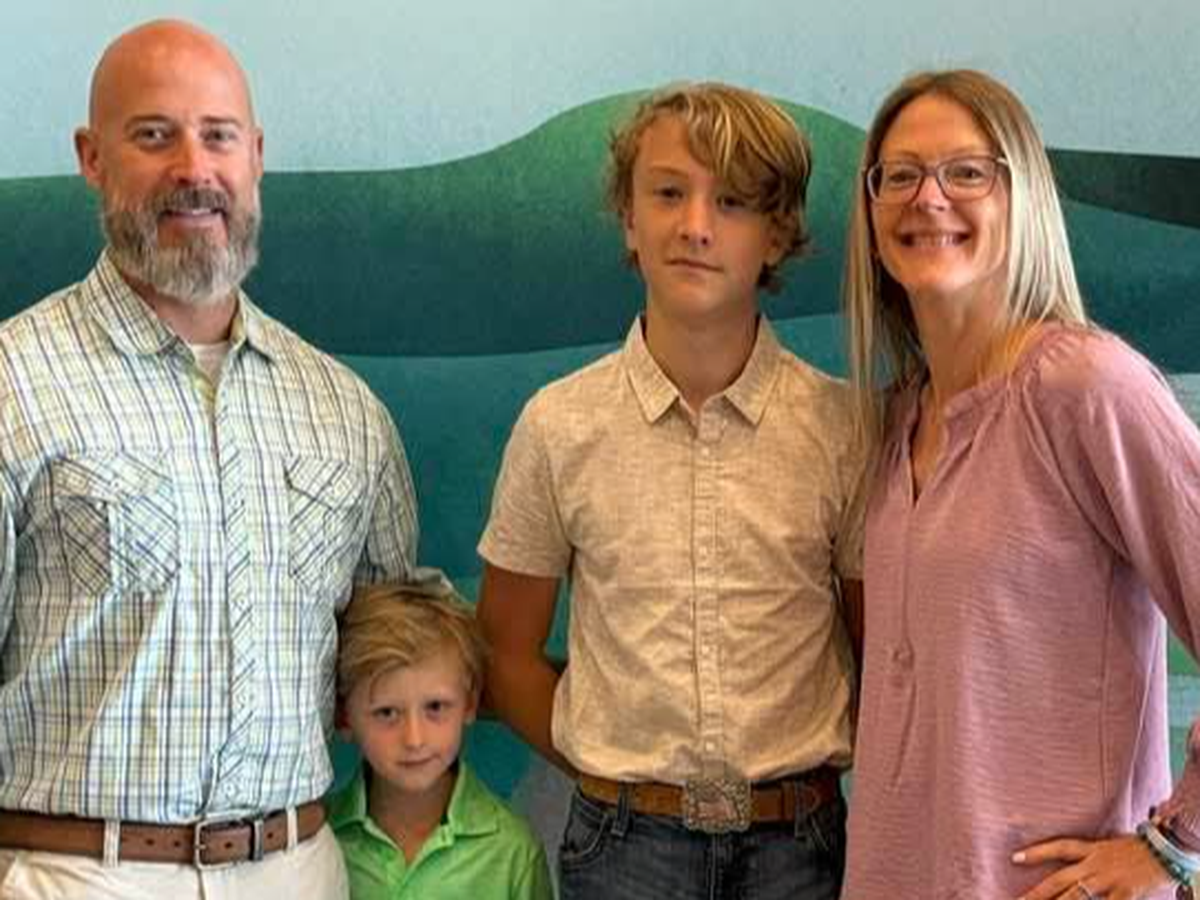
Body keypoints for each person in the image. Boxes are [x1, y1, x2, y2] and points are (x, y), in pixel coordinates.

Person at [0, 19, 438, 898]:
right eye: (154, 135)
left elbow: (398, 666)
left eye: (219, 136)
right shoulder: (15, 386)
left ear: (257, 157)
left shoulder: (345, 412)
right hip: (79, 873)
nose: (193, 168)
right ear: (92, 158)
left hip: (297, 867)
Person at [477, 82, 865, 900]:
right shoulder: (558, 426)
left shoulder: (841, 430)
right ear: (628, 217)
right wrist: (614, 768)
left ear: (777, 234)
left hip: (798, 847)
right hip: (625, 849)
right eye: (666, 193)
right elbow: (506, 652)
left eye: (732, 201)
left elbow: (883, 657)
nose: (695, 225)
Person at [840, 68, 1200, 900]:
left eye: (966, 172)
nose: (928, 198)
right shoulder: (896, 422)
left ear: (1023, 198)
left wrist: (1174, 844)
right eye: (900, 174)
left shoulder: (1085, 387)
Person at [327, 585, 553, 899]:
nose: (414, 739)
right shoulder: (321, 842)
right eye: (387, 712)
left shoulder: (514, 852)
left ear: (469, 703)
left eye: (435, 707)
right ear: (343, 717)